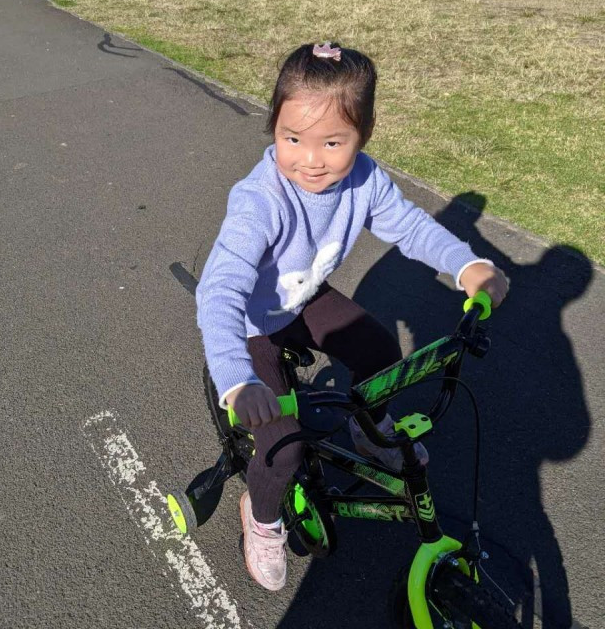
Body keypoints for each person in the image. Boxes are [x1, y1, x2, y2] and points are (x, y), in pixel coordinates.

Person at [195, 42, 509, 591]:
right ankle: (262, 517)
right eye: (292, 138)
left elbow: (410, 227)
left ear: (364, 135)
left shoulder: (364, 179)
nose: (311, 160)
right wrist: (237, 380)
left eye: (333, 142)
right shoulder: (259, 201)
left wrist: (466, 265)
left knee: (380, 351)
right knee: (283, 445)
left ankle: (368, 431)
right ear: (274, 126)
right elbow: (219, 291)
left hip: (300, 296)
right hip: (251, 323)